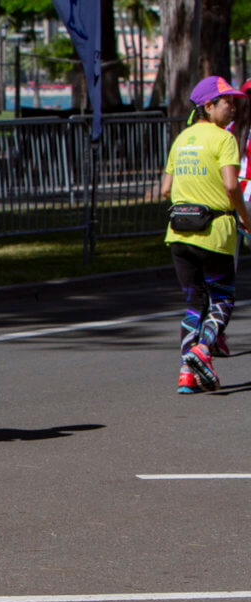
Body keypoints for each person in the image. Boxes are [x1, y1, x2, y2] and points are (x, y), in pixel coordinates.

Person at [158, 76, 251, 393]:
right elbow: (230, 185)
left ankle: (187, 372)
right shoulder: (224, 139)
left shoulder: (181, 139)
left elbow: (166, 189)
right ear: (208, 106)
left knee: (194, 302)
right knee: (222, 300)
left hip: (179, 235)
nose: (234, 107)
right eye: (227, 102)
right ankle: (202, 349)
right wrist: (245, 218)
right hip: (214, 234)